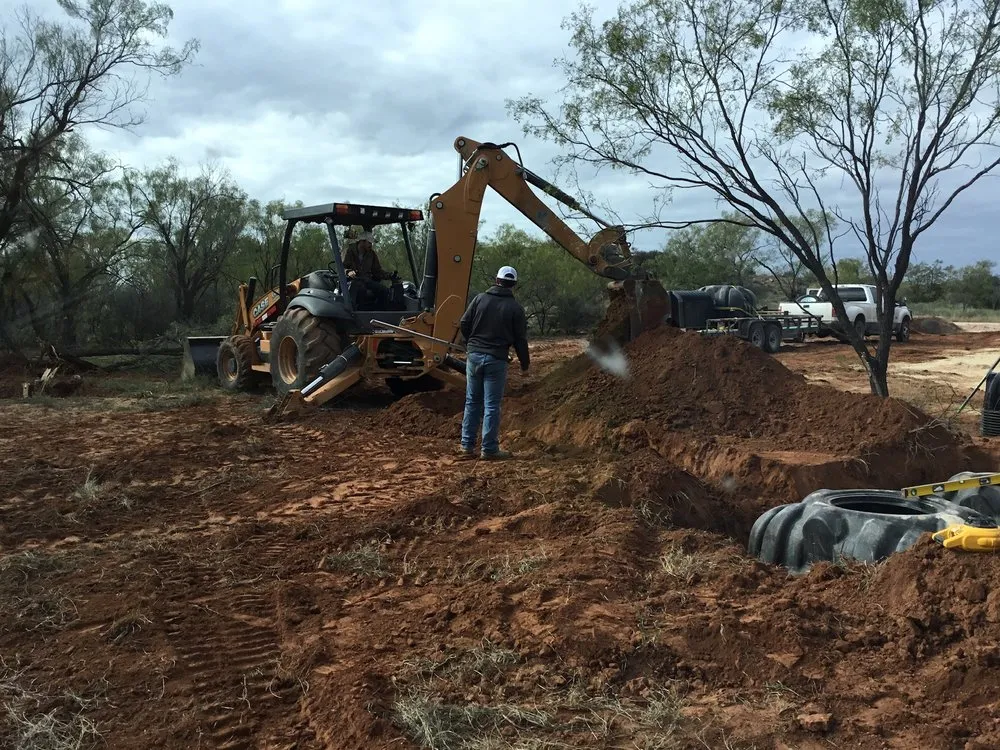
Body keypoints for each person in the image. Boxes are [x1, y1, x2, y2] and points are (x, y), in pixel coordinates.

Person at [457, 265, 530, 460]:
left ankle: (466, 446)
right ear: (513, 284)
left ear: (497, 281)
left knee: (472, 401)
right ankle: (489, 449)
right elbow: (520, 340)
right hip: (497, 359)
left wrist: (470, 343)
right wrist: (525, 365)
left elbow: (464, 323)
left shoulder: (479, 299)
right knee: (491, 405)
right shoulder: (515, 308)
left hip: (474, 356)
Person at [343, 227, 389, 309]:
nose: (371, 245)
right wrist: (348, 272)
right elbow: (341, 267)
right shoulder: (349, 251)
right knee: (361, 290)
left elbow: (377, 270)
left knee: (384, 290)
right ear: (362, 241)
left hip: (366, 280)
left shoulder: (371, 254)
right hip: (353, 281)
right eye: (369, 243)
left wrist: (389, 275)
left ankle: (379, 312)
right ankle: (359, 312)